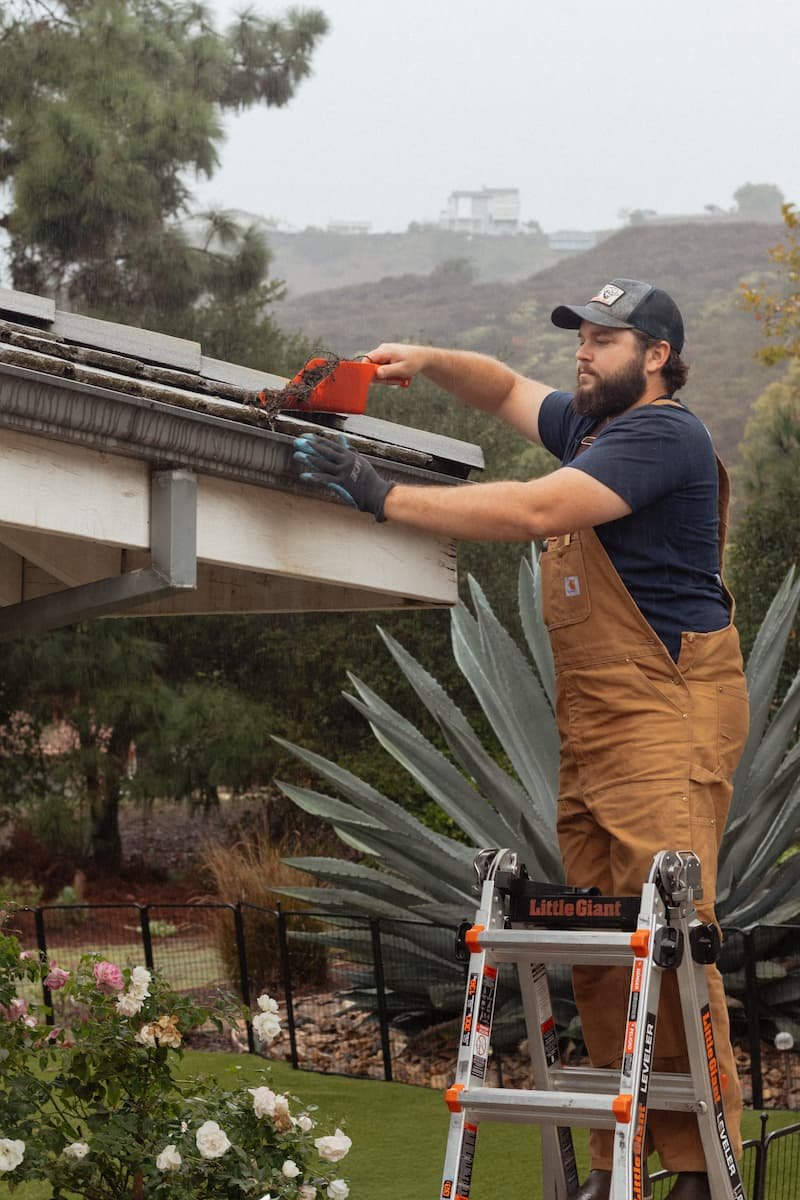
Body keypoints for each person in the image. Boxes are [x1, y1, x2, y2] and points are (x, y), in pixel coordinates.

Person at [293, 278, 750, 1200]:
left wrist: (385, 497)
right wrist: (419, 359)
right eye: (580, 336)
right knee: (597, 943)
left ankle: (704, 1169)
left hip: (667, 715)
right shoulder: (594, 429)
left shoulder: (666, 435)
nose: (584, 351)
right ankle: (616, 1162)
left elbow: (534, 513)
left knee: (670, 940)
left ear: (656, 357)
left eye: (606, 339)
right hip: (598, 727)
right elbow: (502, 385)